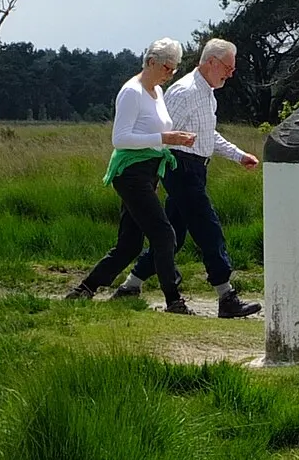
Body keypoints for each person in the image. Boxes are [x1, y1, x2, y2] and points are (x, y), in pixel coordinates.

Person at [113, 38, 263, 319]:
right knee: (208, 227)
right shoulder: (185, 91)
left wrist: (239, 155)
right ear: (210, 62)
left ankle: (131, 286)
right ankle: (226, 295)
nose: (230, 73)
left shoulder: (208, 93)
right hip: (181, 166)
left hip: (195, 167)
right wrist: (153, 175)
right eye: (227, 68)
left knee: (173, 235)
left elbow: (208, 135)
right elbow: (165, 133)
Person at [65, 38, 199, 313]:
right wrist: (165, 137)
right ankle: (173, 300)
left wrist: (173, 140)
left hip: (149, 172)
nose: (170, 74)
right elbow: (120, 138)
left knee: (129, 245)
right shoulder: (131, 92)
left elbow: (154, 134)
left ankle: (84, 290)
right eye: (167, 68)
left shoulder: (157, 92)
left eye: (173, 69)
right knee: (164, 234)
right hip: (130, 173)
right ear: (151, 62)